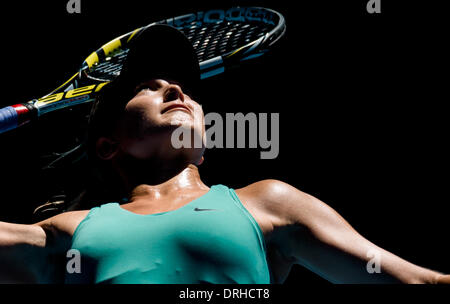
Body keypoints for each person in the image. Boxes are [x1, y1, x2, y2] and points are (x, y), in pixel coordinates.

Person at [0, 24, 449, 284]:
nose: (175, 89)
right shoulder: (66, 233)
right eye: (146, 88)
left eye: (182, 89)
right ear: (108, 144)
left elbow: (414, 281)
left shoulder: (267, 202)